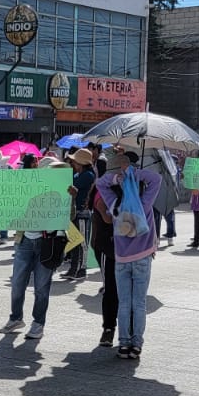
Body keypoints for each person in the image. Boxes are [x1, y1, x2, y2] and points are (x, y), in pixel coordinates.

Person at [95, 150, 162, 359]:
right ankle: (136, 345)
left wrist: (118, 176)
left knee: (124, 303)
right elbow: (156, 179)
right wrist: (135, 173)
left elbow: (100, 183)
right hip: (142, 257)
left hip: (121, 259)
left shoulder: (115, 205)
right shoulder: (145, 204)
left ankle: (123, 344)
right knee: (139, 303)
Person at [0, 157, 72, 341]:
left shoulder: (62, 192)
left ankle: (38, 324)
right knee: (17, 283)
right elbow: (15, 211)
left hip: (47, 244)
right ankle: (16, 318)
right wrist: (0, 221)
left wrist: (72, 197)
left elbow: (69, 217)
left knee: (41, 287)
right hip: (24, 241)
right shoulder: (28, 189)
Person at [90, 185, 119, 347]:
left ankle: (129, 335)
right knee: (111, 290)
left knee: (128, 292)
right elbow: (108, 218)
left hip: (130, 249)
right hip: (108, 248)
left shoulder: (135, 187)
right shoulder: (102, 189)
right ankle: (109, 329)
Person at [63, 148, 98, 279]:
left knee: (82, 242)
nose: (73, 164)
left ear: (81, 163)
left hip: (82, 213)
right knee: (74, 241)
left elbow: (72, 186)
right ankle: (73, 269)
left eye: (75, 162)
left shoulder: (88, 175)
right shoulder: (80, 174)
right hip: (75, 212)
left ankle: (81, 269)